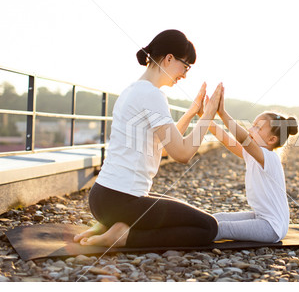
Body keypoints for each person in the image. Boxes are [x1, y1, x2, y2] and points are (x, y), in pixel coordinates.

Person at [73, 29, 222, 248]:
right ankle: (123, 236)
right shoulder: (153, 95)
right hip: (122, 200)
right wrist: (208, 115)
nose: (185, 74)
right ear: (169, 58)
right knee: (208, 227)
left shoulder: (132, 91)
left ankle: (109, 225)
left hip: (102, 198)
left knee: (180, 207)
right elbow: (181, 154)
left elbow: (161, 148)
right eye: (186, 66)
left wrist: (191, 113)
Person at [207, 86, 298, 243]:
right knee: (214, 219)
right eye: (253, 124)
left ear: (271, 140)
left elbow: (244, 140)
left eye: (258, 127)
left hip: (271, 227)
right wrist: (205, 116)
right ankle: (184, 227)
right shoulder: (253, 155)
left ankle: (182, 237)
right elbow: (227, 140)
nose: (251, 128)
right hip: (260, 217)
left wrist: (222, 113)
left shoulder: (270, 158)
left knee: (222, 228)